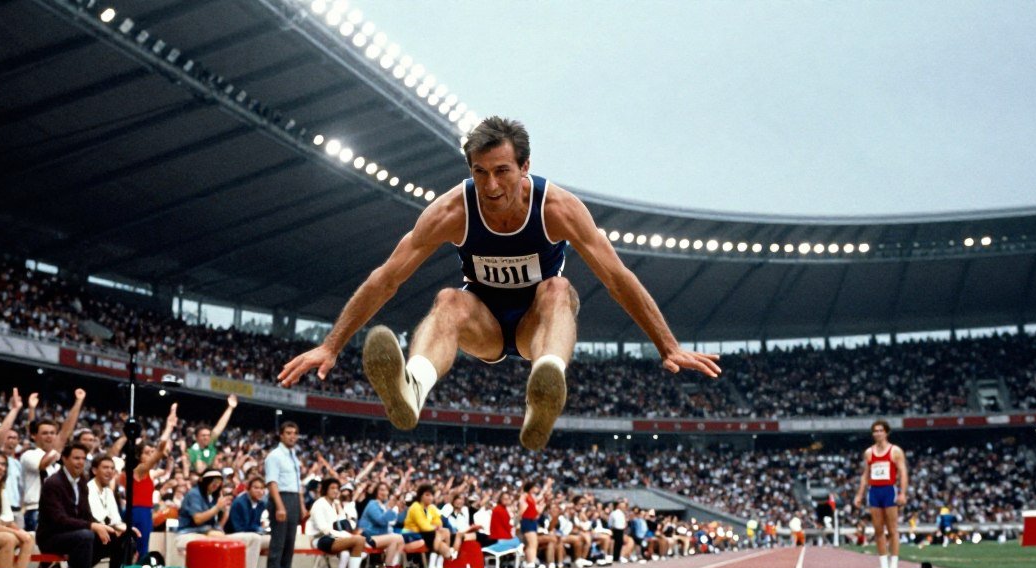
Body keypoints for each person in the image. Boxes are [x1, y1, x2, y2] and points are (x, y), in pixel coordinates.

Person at [278, 116, 721, 450]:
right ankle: (411, 387)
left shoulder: (558, 208)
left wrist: (668, 346)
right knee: (448, 298)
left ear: (525, 166)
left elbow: (617, 279)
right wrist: (331, 345)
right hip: (483, 324)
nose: (490, 185)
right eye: (480, 171)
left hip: (537, 325)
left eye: (502, 171)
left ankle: (544, 385)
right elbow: (387, 278)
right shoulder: (452, 211)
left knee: (558, 290)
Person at [36, 442, 130, 568]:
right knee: (86, 536)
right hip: (51, 536)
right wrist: (92, 526)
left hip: (74, 534)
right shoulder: (53, 483)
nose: (80, 462)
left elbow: (86, 515)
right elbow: (59, 519)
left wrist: (109, 528)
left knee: (122, 539)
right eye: (76, 458)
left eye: (83, 458)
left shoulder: (81, 482)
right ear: (64, 459)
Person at [19, 389, 86, 531]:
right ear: (34, 436)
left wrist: (79, 402)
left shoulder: (57, 465)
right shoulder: (29, 455)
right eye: (44, 433)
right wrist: (78, 402)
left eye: (52, 433)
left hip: (57, 511)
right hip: (35, 511)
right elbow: (44, 462)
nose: (49, 436)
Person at [853, 420, 909, 568]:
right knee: (878, 529)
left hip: (889, 490)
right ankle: (883, 565)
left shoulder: (895, 451)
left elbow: (903, 472)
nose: (877, 433)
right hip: (874, 491)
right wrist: (859, 494)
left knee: (892, 529)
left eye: (880, 431)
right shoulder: (869, 453)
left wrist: (902, 493)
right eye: (875, 431)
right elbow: (866, 474)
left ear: (886, 432)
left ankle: (894, 564)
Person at [127, 403, 177, 563]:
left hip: (146, 512)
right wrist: (168, 428)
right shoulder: (139, 470)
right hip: (136, 512)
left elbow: (167, 471)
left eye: (151, 452)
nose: (150, 455)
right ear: (139, 456)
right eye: (147, 453)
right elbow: (159, 452)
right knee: (136, 547)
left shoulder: (150, 473)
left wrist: (169, 461)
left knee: (143, 548)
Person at [262, 421, 305, 568]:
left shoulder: (293, 455)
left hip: (293, 497)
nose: (292, 436)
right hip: (281, 497)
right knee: (278, 542)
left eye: (294, 433)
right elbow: (272, 482)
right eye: (288, 433)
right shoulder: (275, 456)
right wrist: (280, 506)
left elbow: (297, 483)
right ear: (281, 435)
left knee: (289, 543)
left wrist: (301, 505)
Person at [306, 477, 370, 568]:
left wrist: (338, 507)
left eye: (337, 488)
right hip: (319, 539)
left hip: (332, 537)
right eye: (332, 488)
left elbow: (341, 522)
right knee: (358, 540)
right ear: (325, 489)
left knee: (349, 551)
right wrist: (344, 535)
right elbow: (324, 529)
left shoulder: (333, 504)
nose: (335, 491)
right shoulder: (319, 504)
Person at [226, 475, 272, 568]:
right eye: (256, 488)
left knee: (276, 540)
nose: (259, 491)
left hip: (251, 534)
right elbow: (239, 528)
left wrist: (262, 529)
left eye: (262, 488)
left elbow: (256, 524)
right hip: (233, 535)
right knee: (255, 538)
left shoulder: (261, 504)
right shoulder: (240, 502)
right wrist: (258, 529)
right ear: (248, 489)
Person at [187, 394, 237, 471]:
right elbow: (200, 469)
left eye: (208, 435)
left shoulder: (210, 444)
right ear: (196, 438)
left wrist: (230, 408)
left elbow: (219, 427)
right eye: (203, 435)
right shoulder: (194, 450)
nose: (206, 437)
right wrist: (214, 463)